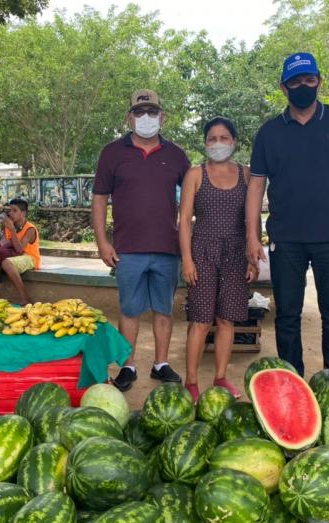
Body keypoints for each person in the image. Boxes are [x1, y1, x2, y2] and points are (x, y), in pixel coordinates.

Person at [246, 52, 329, 378]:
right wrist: (252, 236)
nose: (303, 86)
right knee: (287, 317)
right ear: (283, 87)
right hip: (286, 240)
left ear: (319, 81)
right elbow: (256, 186)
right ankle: (292, 385)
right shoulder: (269, 133)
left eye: (309, 79)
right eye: (295, 81)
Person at [92, 89, 191, 391]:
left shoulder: (177, 155)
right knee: (129, 310)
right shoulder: (112, 153)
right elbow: (99, 199)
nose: (146, 117)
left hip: (167, 248)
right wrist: (102, 242)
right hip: (127, 250)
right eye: (139, 112)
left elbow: (191, 200)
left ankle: (161, 364)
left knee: (164, 309)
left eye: (152, 112)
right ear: (129, 118)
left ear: (163, 117)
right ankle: (128, 365)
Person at [180, 117, 257, 401]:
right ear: (205, 144)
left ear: (234, 141)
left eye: (224, 138)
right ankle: (191, 382)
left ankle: (221, 377)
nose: (218, 143)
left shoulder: (247, 175)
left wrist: (252, 258)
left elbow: (253, 219)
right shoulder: (195, 174)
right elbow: (184, 221)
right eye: (212, 139)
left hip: (236, 254)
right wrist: (187, 259)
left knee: (227, 320)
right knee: (200, 321)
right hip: (202, 253)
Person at [0, 198, 40, 305]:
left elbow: (19, 249)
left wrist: (12, 230)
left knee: (6, 263)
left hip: (29, 258)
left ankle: (25, 298)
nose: (11, 213)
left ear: (23, 213)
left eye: (15, 210)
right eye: (10, 210)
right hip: (12, 255)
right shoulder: (10, 227)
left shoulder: (30, 229)